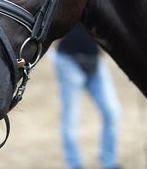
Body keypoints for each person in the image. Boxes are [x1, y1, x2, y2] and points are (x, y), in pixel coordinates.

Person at [52, 23, 122, 169]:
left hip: (95, 62)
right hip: (69, 60)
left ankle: (109, 162)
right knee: (70, 117)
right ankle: (74, 164)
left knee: (112, 112)